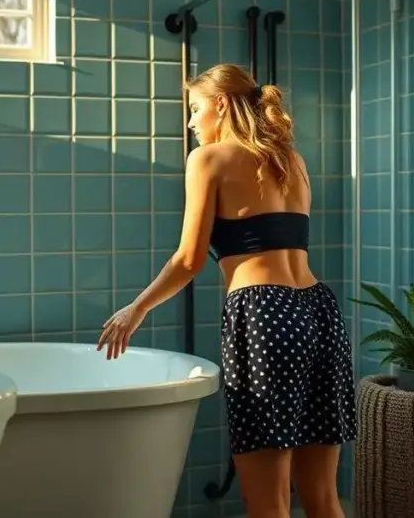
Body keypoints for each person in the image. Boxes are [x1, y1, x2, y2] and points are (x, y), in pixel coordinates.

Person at [97, 63, 356, 518]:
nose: (191, 122)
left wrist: (136, 308)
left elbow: (188, 260)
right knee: (323, 499)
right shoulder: (291, 160)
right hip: (319, 311)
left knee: (267, 503)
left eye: (195, 109)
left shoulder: (208, 159)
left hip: (265, 313)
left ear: (220, 104)